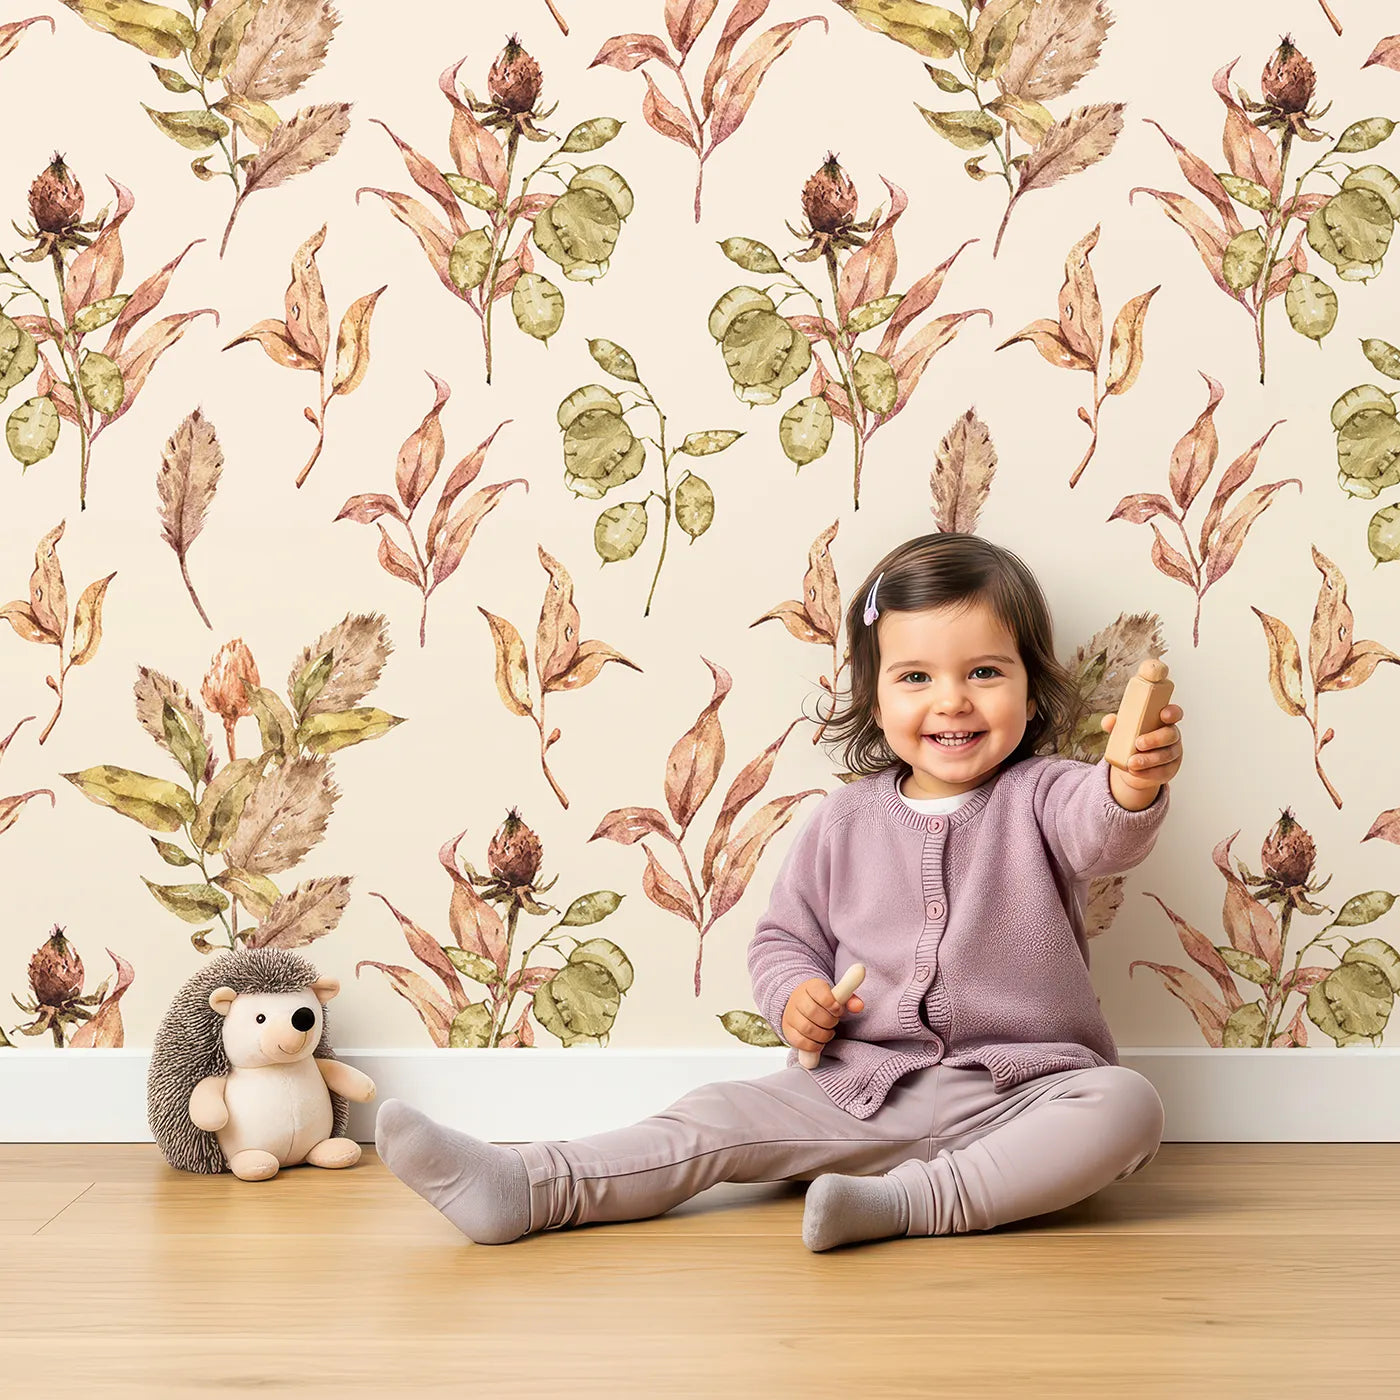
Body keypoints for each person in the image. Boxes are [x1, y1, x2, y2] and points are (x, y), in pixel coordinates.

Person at [373, 532, 1185, 1250]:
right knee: (714, 1115)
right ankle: (528, 1186)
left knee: (1127, 1105)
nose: (951, 700)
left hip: (1021, 1094)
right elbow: (782, 941)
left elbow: (1105, 830)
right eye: (915, 676)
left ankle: (912, 1205)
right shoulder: (844, 820)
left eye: (984, 671)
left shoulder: (1046, 793)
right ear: (874, 696)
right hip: (858, 1091)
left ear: (1031, 690)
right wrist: (798, 995)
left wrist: (1131, 783)